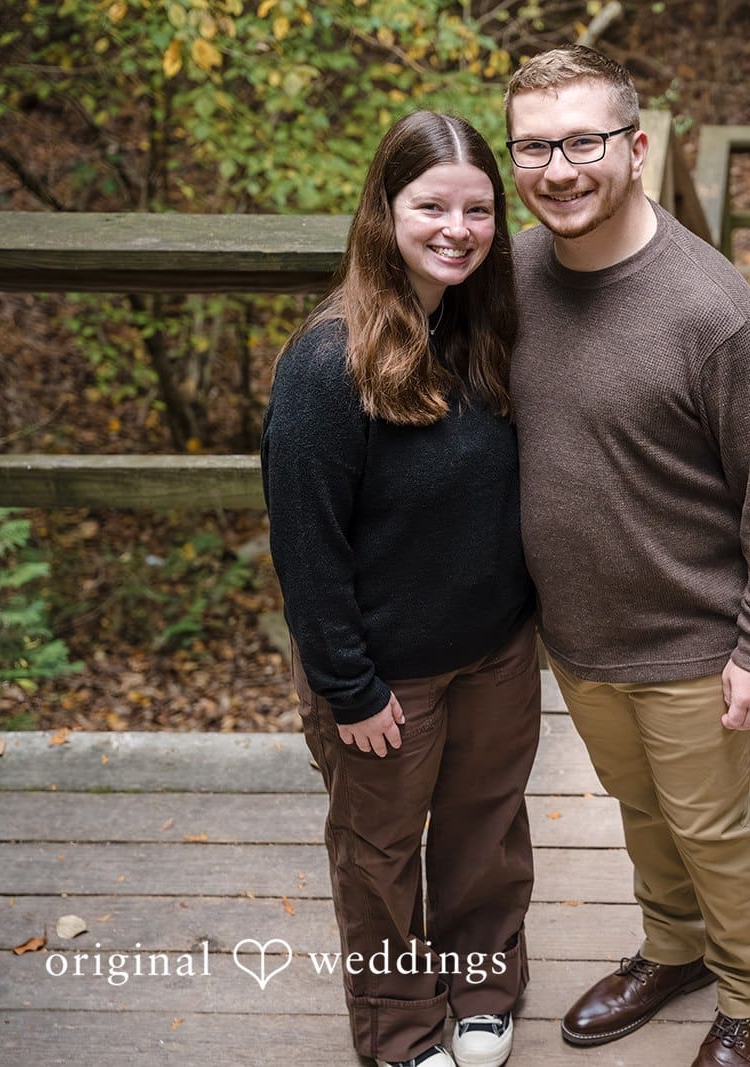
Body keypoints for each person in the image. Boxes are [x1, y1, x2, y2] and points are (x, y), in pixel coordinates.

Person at [503, 46, 750, 1067]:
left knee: (711, 824)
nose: (559, 169)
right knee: (643, 808)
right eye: (534, 147)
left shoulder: (714, 314)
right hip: (578, 629)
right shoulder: (506, 273)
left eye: (583, 142)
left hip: (693, 634)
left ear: (636, 148)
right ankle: (672, 949)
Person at [260, 109, 537, 1067]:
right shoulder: (325, 365)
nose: (456, 228)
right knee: (379, 858)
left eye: (477, 209)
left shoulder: (482, 330)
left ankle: (484, 985)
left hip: (495, 651)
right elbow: (306, 545)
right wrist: (350, 685)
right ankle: (401, 1027)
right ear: (386, 210)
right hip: (386, 677)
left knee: (485, 832)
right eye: (430, 206)